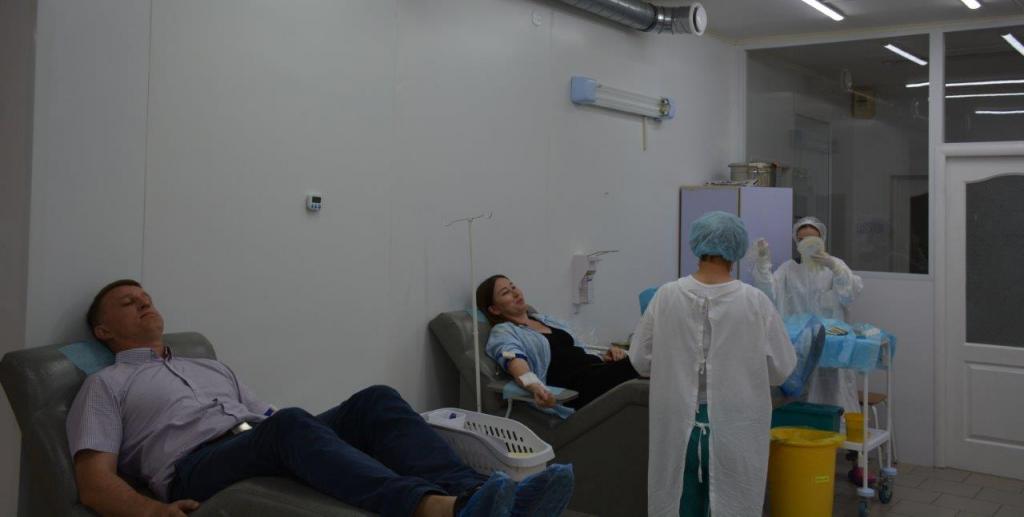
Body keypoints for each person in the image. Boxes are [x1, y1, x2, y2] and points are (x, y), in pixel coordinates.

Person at [67, 279, 574, 517]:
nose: (144, 303)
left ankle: (484, 496)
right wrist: (153, 514)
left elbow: (264, 417)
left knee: (374, 400)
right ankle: (439, 510)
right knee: (289, 422)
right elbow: (94, 484)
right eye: (128, 303)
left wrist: (314, 434)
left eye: (147, 297)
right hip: (195, 466)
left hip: (256, 439)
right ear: (103, 330)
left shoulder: (208, 365)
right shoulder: (105, 385)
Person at [629, 211, 796, 517]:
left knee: (678, 504)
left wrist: (674, 367)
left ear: (698, 245)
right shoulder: (755, 301)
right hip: (736, 427)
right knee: (734, 506)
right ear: (736, 249)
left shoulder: (666, 295)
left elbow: (640, 358)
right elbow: (781, 368)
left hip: (678, 427)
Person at [751, 216, 864, 413]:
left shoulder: (834, 266)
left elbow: (848, 295)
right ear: (796, 242)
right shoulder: (789, 268)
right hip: (799, 343)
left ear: (822, 239)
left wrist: (835, 267)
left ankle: (833, 427)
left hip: (830, 342)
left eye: (813, 239)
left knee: (831, 393)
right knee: (799, 393)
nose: (807, 243)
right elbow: (769, 293)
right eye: (802, 239)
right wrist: (762, 262)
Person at [476, 275, 639, 410]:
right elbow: (515, 362)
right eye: (506, 292)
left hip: (596, 371)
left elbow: (578, 349)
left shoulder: (545, 320)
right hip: (575, 388)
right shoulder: (503, 331)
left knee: (639, 365)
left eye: (513, 287)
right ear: (494, 309)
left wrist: (605, 356)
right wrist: (535, 387)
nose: (515, 293)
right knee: (640, 366)